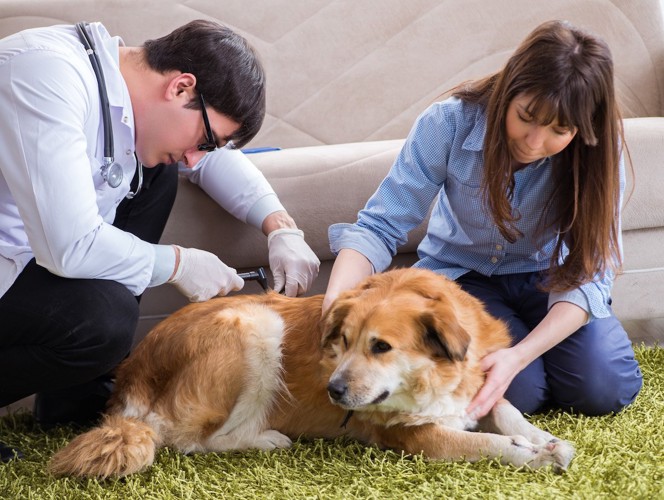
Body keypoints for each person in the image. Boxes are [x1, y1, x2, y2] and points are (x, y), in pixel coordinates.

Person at [0, 20, 319, 460]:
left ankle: (73, 396)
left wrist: (281, 227)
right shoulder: (46, 74)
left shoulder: (128, 96)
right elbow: (68, 245)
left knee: (160, 170)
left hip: (31, 253)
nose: (197, 156)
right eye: (204, 139)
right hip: (27, 256)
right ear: (182, 88)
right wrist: (179, 264)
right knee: (102, 323)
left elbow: (212, 162)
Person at [323, 20, 642, 421]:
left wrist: (520, 354)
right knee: (519, 392)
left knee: (603, 389)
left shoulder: (600, 152)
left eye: (559, 130)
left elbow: (589, 273)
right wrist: (336, 305)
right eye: (526, 116)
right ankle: (535, 374)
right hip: (464, 278)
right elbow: (379, 226)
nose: (534, 141)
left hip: (552, 278)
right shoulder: (448, 123)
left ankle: (539, 360)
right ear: (508, 90)